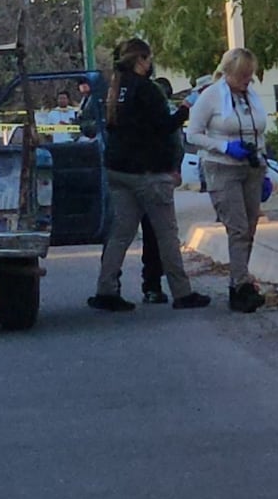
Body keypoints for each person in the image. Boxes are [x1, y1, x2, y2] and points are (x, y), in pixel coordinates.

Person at [88, 38, 211, 311]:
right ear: (141, 59)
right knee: (166, 233)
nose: (151, 62)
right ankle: (182, 291)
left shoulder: (116, 89)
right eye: (149, 57)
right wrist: (187, 106)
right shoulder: (147, 90)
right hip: (148, 172)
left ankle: (106, 289)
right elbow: (164, 126)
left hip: (119, 169)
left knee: (121, 233)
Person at [186, 48, 268, 313]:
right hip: (222, 168)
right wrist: (224, 146)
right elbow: (193, 134)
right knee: (238, 227)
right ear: (229, 72)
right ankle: (241, 285)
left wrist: (264, 167)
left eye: (249, 75)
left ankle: (240, 282)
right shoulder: (212, 95)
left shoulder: (250, 96)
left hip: (251, 168)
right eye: (242, 75)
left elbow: (259, 131)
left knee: (250, 228)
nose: (247, 80)